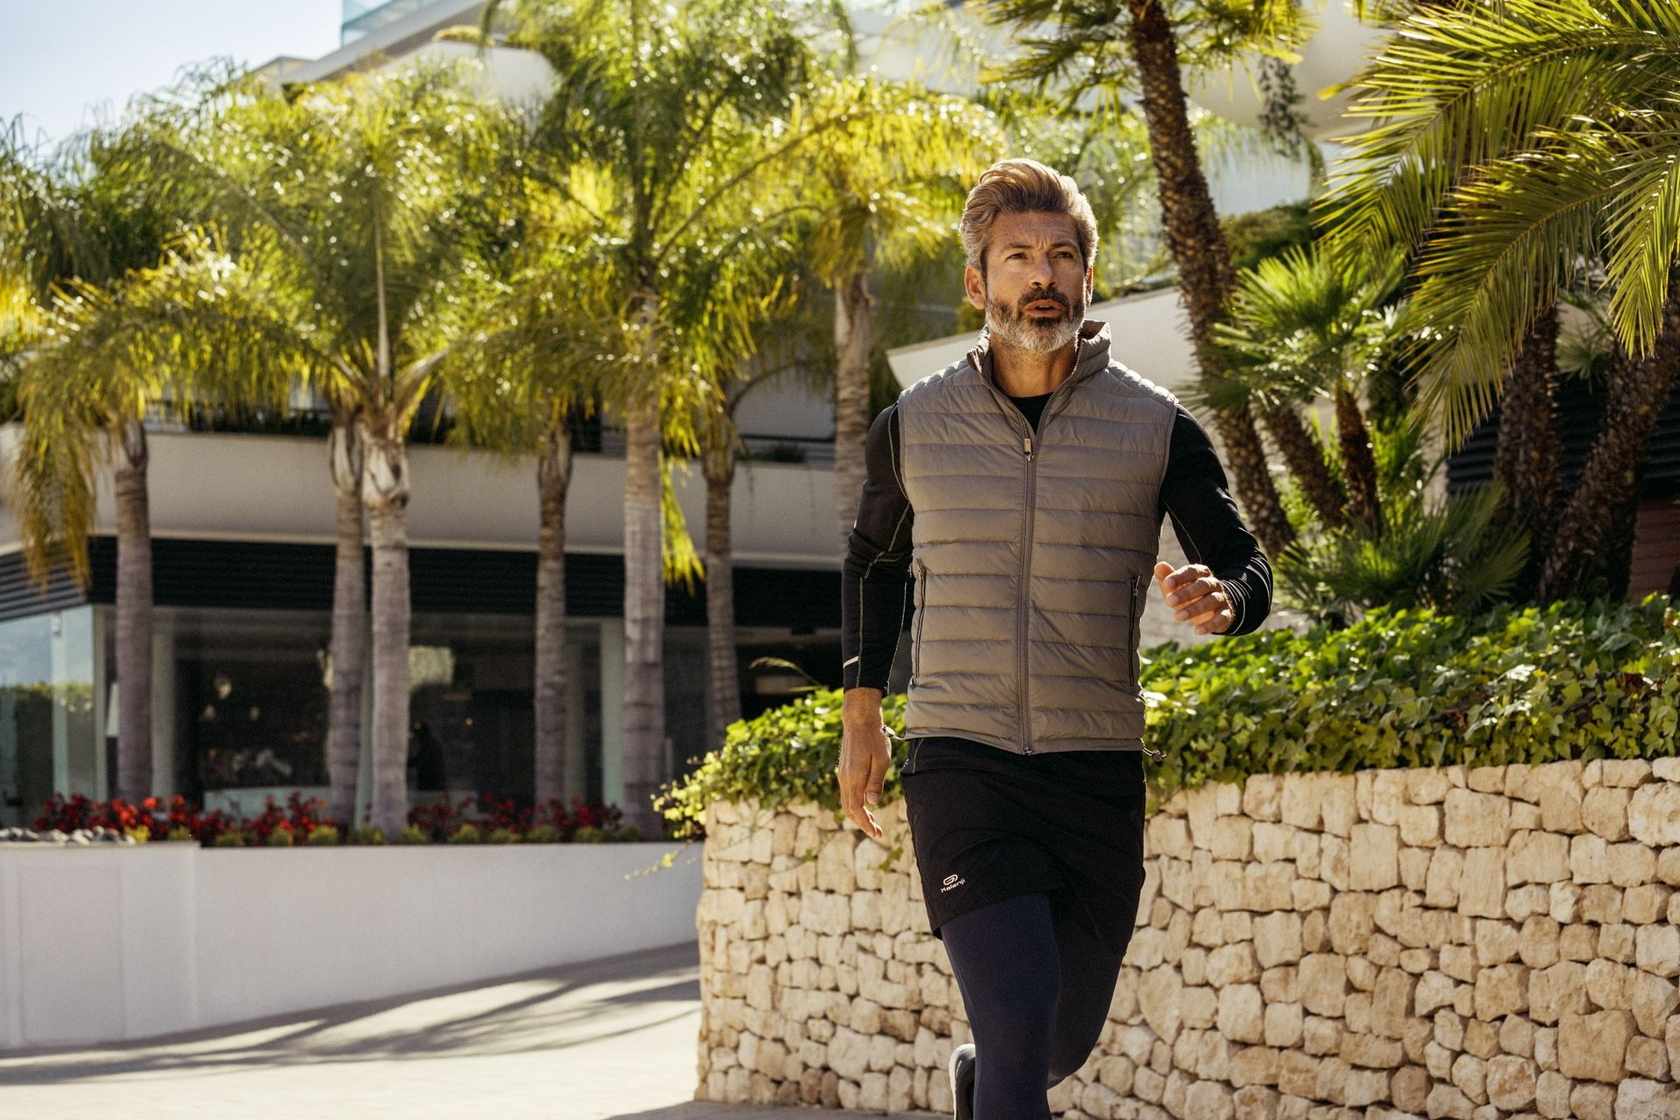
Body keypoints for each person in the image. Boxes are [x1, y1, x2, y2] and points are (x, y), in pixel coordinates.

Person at [837, 158, 1274, 1120]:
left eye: (1062, 257)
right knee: (1022, 1007)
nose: (1043, 276)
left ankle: (984, 1082)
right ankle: (997, 1074)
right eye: (1019, 257)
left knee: (1053, 1040)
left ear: (1088, 275)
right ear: (978, 282)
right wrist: (862, 717)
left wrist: (1226, 599)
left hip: (1094, 771)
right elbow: (871, 563)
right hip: (962, 762)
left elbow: (1248, 562)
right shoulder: (913, 425)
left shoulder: (1156, 428)